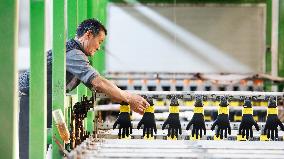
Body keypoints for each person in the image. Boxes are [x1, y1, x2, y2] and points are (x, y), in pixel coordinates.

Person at [18, 18, 150, 159]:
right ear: (88, 35)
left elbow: (98, 87)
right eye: (99, 41)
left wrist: (126, 99)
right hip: (34, 101)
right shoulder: (73, 53)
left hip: (40, 99)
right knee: (30, 152)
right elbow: (99, 82)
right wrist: (129, 98)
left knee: (37, 149)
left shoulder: (75, 53)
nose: (99, 47)